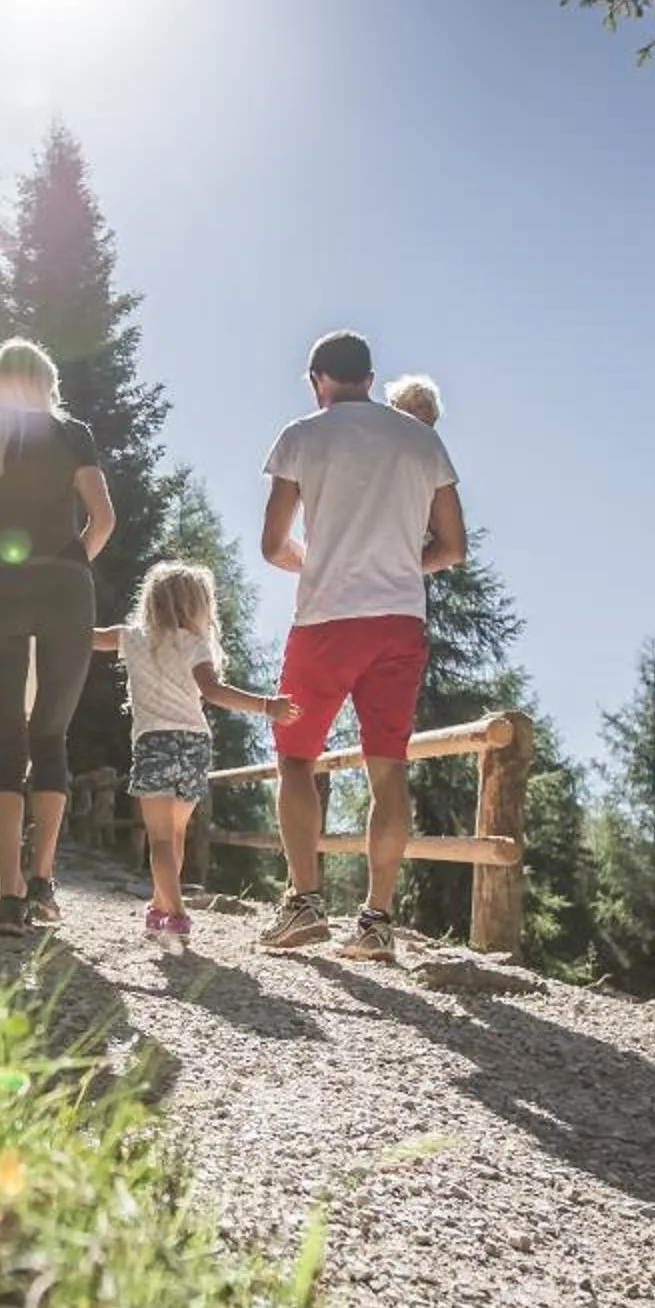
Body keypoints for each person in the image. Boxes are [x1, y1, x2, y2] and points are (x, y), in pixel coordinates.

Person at [256, 330, 465, 961]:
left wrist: (317, 566)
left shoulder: (301, 435)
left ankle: (305, 906)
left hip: (326, 621)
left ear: (317, 380)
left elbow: (272, 545)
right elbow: (453, 547)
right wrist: (398, 568)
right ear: (371, 380)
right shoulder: (422, 440)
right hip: (399, 622)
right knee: (387, 768)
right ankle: (376, 923)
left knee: (296, 760)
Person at [0, 338, 115, 938]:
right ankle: (43, 882)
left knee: (8, 742)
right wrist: (72, 566)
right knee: (51, 736)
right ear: (45, 381)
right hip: (67, 592)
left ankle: (9, 895)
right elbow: (103, 518)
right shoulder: (72, 434)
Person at [92, 561, 298, 943]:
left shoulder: (132, 637)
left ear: (151, 599)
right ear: (197, 605)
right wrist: (267, 706)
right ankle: (159, 908)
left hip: (154, 742)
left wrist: (46, 615)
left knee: (159, 840)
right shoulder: (194, 644)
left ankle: (178, 914)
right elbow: (214, 692)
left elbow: (87, 636)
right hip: (194, 745)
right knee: (176, 835)